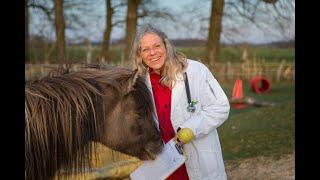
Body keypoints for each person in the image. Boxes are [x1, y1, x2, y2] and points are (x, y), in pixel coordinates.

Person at [130, 24, 230, 180]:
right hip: (166, 166)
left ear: (166, 45)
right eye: (145, 49)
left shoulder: (195, 71)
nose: (152, 53)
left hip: (199, 159)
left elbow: (220, 106)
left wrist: (191, 129)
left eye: (157, 46)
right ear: (140, 55)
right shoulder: (140, 85)